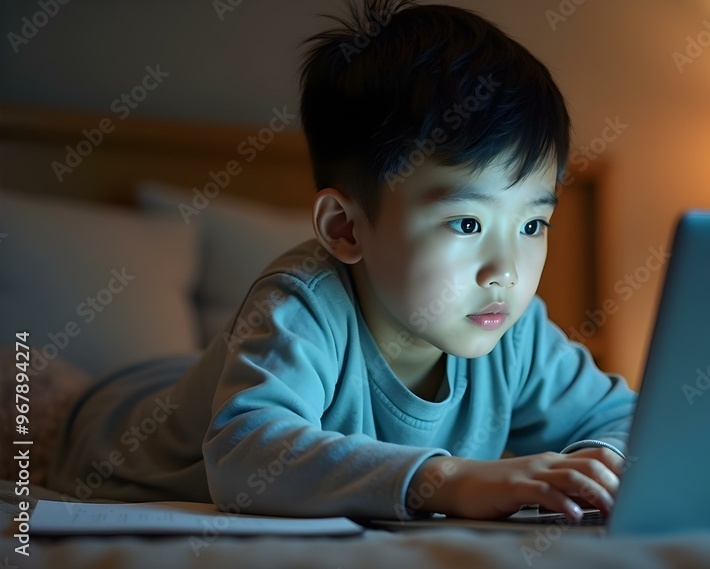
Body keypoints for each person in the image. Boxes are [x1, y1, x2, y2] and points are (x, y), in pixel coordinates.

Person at [47, 0, 636, 523]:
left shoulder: (512, 326)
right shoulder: (302, 302)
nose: (505, 270)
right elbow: (242, 452)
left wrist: (601, 462)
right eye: (467, 223)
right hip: (96, 425)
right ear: (345, 228)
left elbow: (631, 419)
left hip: (193, 377)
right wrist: (449, 480)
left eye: (533, 224)